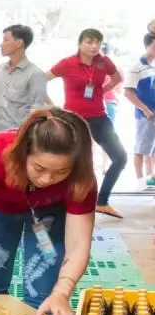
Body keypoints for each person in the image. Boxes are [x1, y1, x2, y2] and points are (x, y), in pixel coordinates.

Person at [0, 108, 95, 315]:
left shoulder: (81, 178)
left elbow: (79, 245)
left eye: (61, 172)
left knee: (44, 292)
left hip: (48, 213)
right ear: (23, 154)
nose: (47, 179)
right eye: (39, 168)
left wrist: (61, 293)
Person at [48, 29, 126, 218]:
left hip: (99, 117)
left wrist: (102, 89)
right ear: (80, 43)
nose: (94, 46)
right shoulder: (67, 63)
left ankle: (102, 202)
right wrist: (52, 107)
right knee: (72, 162)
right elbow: (41, 79)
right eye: (90, 42)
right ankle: (60, 203)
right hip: (73, 119)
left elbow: (118, 77)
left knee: (120, 157)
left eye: (98, 42)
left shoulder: (103, 61)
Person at [0, 25, 46, 144]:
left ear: (19, 43)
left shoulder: (36, 74)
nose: (1, 44)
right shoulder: (0, 69)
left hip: (18, 140)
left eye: (6, 40)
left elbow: (36, 112)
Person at [124, 32, 155, 188]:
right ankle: (139, 180)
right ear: (147, 45)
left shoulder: (153, 64)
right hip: (145, 115)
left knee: (152, 148)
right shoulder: (136, 66)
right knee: (141, 148)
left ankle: (151, 177)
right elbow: (128, 93)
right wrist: (145, 110)